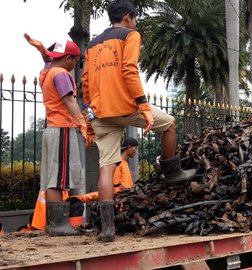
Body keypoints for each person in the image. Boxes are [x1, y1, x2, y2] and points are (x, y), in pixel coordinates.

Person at [82, 0, 195, 242]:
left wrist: (89, 119)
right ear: (128, 17)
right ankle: (173, 173)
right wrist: (143, 105)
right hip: (126, 107)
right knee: (170, 124)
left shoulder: (92, 44)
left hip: (100, 112)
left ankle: (107, 230)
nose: (135, 23)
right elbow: (129, 70)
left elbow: (86, 83)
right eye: (135, 18)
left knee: (106, 167)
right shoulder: (130, 36)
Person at [25, 33, 89, 236]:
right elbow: (70, 102)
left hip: (52, 129)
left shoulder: (47, 72)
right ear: (68, 58)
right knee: (57, 180)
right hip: (62, 129)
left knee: (54, 178)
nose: (74, 66)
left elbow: (48, 61)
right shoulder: (61, 74)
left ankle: (56, 225)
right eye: (75, 61)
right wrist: (83, 125)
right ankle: (58, 225)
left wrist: (44, 52)